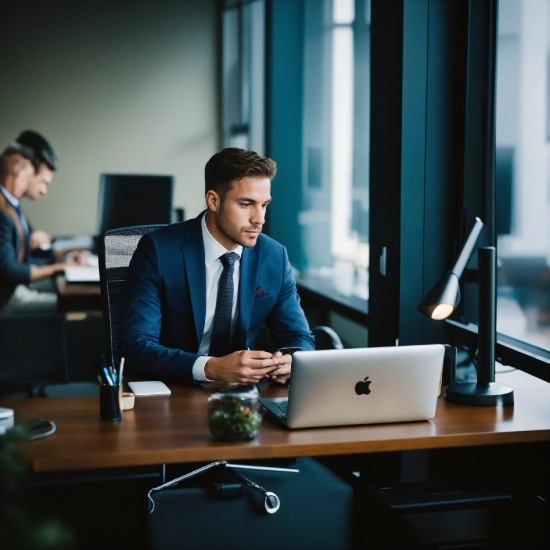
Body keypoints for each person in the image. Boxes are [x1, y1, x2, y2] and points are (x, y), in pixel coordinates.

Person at [119, 147, 315, 385]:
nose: (259, 219)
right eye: (246, 204)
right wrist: (211, 368)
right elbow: (136, 346)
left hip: (243, 397)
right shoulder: (159, 251)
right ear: (213, 200)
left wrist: (292, 360)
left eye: (264, 205)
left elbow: (299, 337)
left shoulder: (274, 256)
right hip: (173, 389)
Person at [0, 130, 85, 314]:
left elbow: (29, 253)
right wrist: (59, 267)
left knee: (72, 293)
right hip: (7, 298)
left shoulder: (12, 206)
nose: (44, 190)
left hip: (17, 288)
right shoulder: (3, 210)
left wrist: (64, 256)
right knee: (76, 305)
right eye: (43, 182)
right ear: (23, 169)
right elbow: (8, 270)